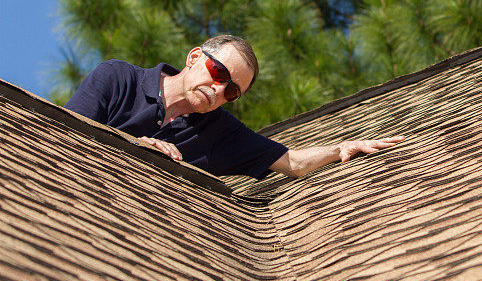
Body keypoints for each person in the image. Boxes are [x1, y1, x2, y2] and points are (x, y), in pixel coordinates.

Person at [65, 35, 403, 179]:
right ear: (195, 57)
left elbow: (293, 162)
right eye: (219, 72)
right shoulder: (117, 78)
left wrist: (342, 147)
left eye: (232, 91)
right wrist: (134, 145)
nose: (219, 89)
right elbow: (64, 135)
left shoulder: (218, 133)